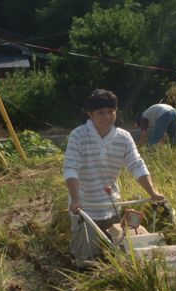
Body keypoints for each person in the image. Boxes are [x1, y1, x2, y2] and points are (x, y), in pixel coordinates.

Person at [63, 89, 165, 267]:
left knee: (117, 254)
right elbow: (71, 168)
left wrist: (152, 192)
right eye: (100, 112)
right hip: (85, 208)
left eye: (111, 111)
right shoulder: (78, 136)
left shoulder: (123, 138)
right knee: (87, 260)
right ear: (90, 114)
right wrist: (76, 198)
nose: (107, 117)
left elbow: (136, 164)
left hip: (112, 206)